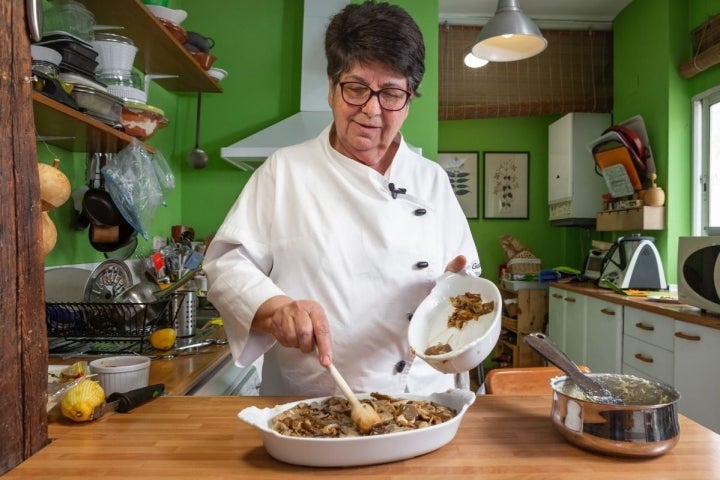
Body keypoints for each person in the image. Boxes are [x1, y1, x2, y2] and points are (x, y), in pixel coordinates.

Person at [204, 0, 481, 396]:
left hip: (419, 398)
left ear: (410, 100)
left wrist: (455, 287)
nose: (371, 109)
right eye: (356, 89)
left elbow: (468, 283)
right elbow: (226, 265)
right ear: (332, 89)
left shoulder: (432, 180)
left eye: (390, 94)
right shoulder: (285, 172)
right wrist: (276, 308)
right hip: (313, 398)